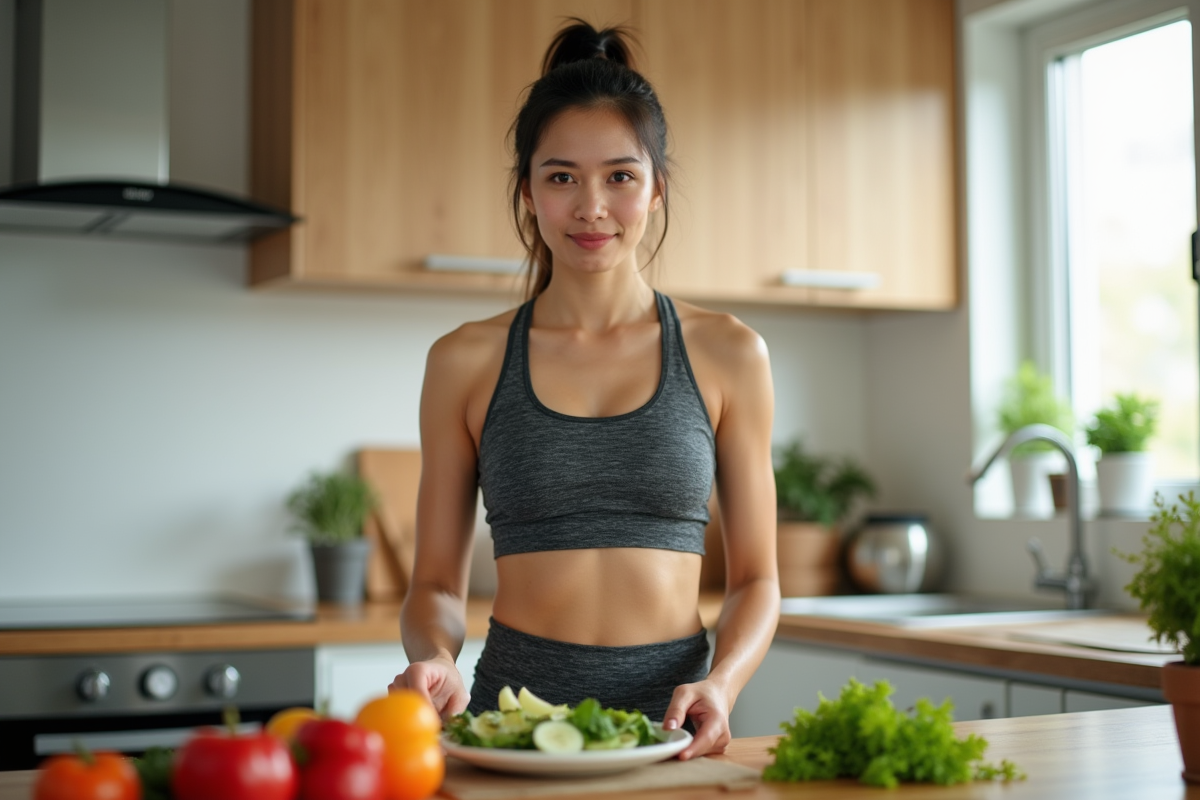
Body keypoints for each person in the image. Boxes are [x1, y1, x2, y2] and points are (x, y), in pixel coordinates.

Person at [390, 19, 779, 760]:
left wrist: (723, 683)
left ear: (657, 188)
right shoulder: (464, 361)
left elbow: (758, 578)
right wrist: (436, 659)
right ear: (528, 191)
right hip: (509, 726)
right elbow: (436, 584)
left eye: (620, 177)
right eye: (561, 176)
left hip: (674, 730)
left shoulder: (730, 353)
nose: (591, 207)